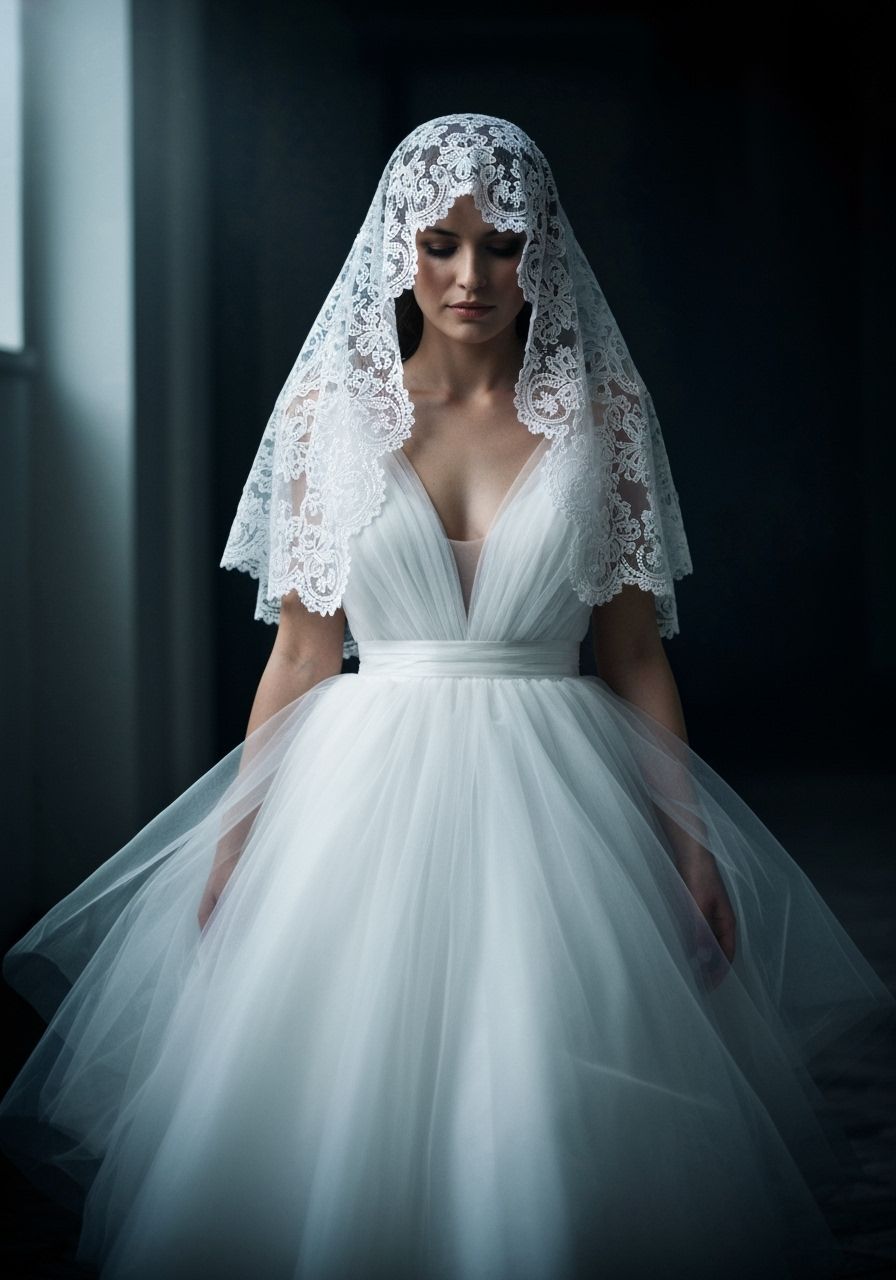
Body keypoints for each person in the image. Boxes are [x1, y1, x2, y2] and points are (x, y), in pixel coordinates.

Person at [1, 113, 892, 1280]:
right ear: (394, 247)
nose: (472, 275)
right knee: (341, 1105)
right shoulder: (329, 418)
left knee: (541, 1103)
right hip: (358, 793)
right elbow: (302, 656)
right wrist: (237, 837)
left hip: (560, 806)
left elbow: (628, 653)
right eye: (441, 241)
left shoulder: (599, 420)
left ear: (546, 252)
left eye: (505, 243)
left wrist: (686, 841)